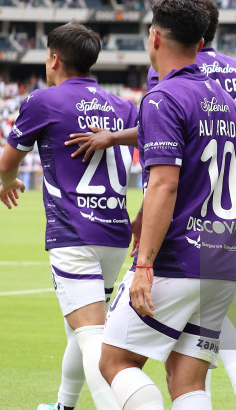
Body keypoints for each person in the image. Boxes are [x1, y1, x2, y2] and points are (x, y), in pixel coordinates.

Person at [68, 0, 236, 410]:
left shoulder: (162, 98)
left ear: (154, 39)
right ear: (200, 43)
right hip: (222, 261)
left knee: (114, 360)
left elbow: (164, 186)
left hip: (178, 260)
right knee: (187, 380)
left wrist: (144, 265)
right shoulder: (229, 102)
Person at [0, 22, 138, 410]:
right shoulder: (124, 105)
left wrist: (8, 181)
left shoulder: (43, 100)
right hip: (113, 235)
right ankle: (64, 405)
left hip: (73, 234)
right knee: (78, 328)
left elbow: (8, 160)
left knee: (91, 334)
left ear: (54, 59)